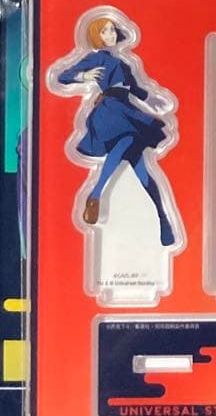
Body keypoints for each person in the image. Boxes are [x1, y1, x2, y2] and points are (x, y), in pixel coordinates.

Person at [55, 16, 178, 246]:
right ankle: (97, 194)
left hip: (126, 109)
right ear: (96, 36)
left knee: (143, 171)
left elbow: (136, 89)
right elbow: (63, 75)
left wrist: (154, 101)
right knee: (128, 139)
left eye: (112, 30)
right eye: (104, 31)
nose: (110, 35)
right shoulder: (96, 57)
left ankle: (163, 220)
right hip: (110, 112)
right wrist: (83, 76)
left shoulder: (124, 63)